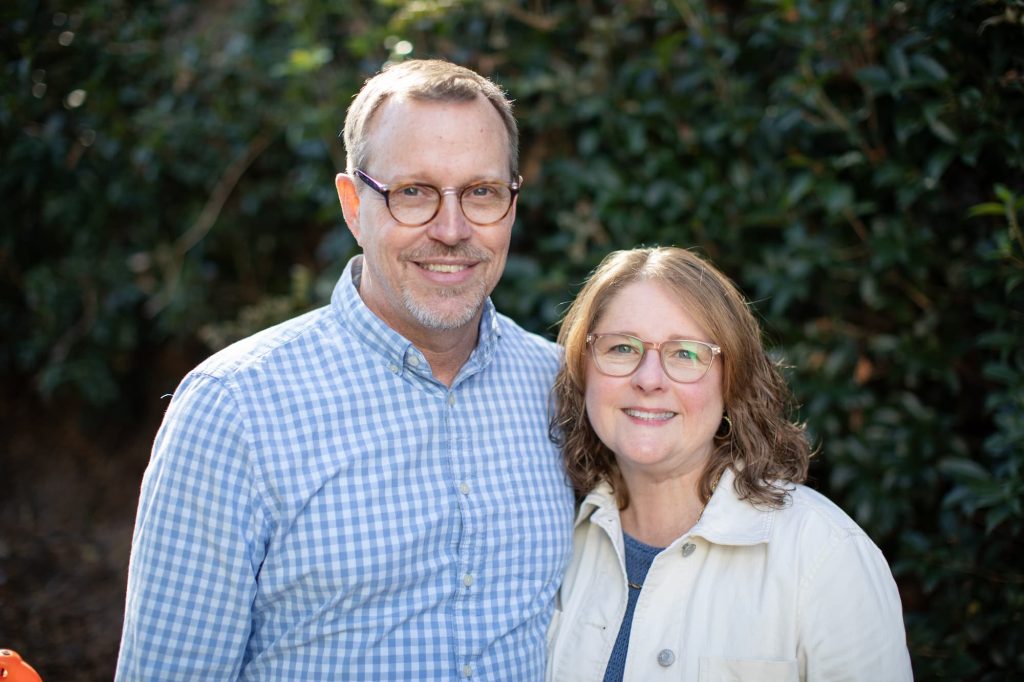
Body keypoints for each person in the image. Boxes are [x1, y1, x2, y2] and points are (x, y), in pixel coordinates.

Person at [116, 59, 575, 680]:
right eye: (412, 192)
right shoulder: (234, 409)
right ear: (354, 205)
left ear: (512, 203)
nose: (452, 229)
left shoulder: (560, 388)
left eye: (481, 192)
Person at [545, 246, 913, 681]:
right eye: (622, 347)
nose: (648, 379)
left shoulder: (826, 558)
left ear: (731, 379)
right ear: (583, 368)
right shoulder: (556, 544)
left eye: (685, 353)